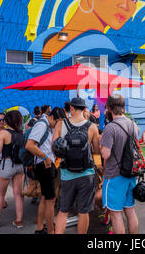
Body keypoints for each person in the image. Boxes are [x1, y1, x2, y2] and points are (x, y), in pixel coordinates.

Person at [53, 97, 100, 234]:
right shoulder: (92, 127)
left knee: (63, 210)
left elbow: (53, 148)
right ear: (85, 109)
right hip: (86, 174)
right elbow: (97, 151)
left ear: (71, 108)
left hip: (67, 174)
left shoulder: (61, 124)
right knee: (83, 212)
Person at [100, 94, 139, 234]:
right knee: (130, 210)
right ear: (123, 107)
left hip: (114, 176)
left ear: (109, 108)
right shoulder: (133, 125)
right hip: (131, 173)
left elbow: (105, 154)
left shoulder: (110, 128)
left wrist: (101, 145)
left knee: (116, 214)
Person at [0, 110, 26, 230]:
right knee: (18, 194)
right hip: (20, 165)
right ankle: (19, 221)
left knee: (0, 194)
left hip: (7, 164)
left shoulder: (4, 133)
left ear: (7, 120)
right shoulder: (22, 133)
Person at [25, 107, 59, 234]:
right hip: (44, 166)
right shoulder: (42, 125)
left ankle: (40, 228)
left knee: (45, 198)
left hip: (46, 164)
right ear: (52, 118)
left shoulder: (47, 125)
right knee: (50, 200)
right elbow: (29, 145)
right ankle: (51, 231)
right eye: (57, 123)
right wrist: (45, 157)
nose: (57, 126)